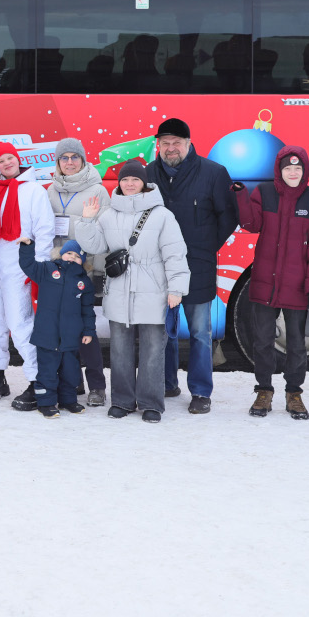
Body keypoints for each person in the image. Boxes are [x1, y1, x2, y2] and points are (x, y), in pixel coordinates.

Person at [75, 161, 190, 422]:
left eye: (135, 180)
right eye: (125, 179)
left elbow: (175, 254)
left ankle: (151, 403)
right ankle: (123, 401)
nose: (129, 184)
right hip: (119, 290)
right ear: (119, 183)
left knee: (152, 350)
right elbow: (94, 245)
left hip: (154, 291)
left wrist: (177, 289)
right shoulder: (108, 214)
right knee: (119, 350)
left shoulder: (162, 215)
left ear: (144, 183)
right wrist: (86, 220)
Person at [143, 117, 235, 414]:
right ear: (158, 145)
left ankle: (200, 391)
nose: (171, 149)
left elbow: (228, 216)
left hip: (198, 266)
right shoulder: (147, 175)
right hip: (158, 270)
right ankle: (167, 383)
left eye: (177, 143)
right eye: (165, 143)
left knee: (199, 332)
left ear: (189, 143)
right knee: (163, 330)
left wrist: (205, 247)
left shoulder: (213, 173)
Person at [232, 146, 309, 420]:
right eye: (287, 168)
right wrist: (240, 197)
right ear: (279, 171)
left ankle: (294, 394)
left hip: (296, 286)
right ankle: (264, 391)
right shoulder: (265, 193)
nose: (292, 173)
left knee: (296, 343)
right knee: (262, 341)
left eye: (297, 169)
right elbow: (251, 224)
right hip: (264, 283)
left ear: (304, 171)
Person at [0, 142, 56, 411]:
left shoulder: (33, 190)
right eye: (0, 161)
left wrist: (38, 267)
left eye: (10, 158)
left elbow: (45, 229)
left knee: (20, 324)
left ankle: (37, 380)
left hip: (17, 264)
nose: (6, 163)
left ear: (18, 159)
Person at [46, 137, 109, 406]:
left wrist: (94, 268)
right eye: (64, 158)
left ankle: (97, 386)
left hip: (85, 268)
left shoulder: (97, 190)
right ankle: (73, 382)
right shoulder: (50, 190)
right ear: (58, 162)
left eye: (75, 157)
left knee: (86, 330)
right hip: (57, 270)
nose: (69, 162)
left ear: (83, 160)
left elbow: (105, 232)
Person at [16, 238, 95, 418]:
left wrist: (89, 331)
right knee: (47, 371)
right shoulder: (47, 270)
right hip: (47, 335)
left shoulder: (83, 282)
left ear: (83, 261)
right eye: (69, 253)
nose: (71, 258)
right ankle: (46, 403)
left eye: (77, 256)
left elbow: (87, 309)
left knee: (71, 372)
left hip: (70, 337)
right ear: (61, 254)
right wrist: (28, 247)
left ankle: (68, 400)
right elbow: (27, 264)